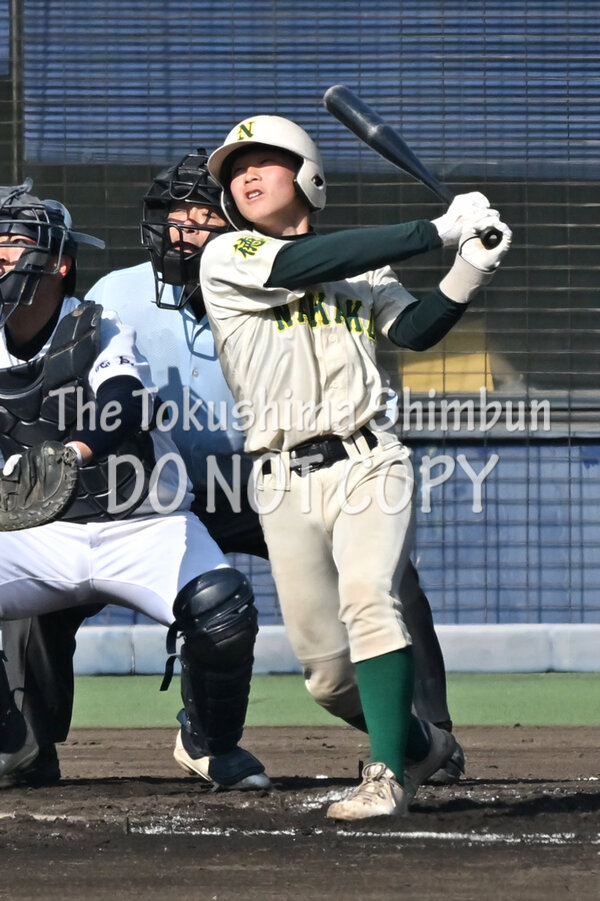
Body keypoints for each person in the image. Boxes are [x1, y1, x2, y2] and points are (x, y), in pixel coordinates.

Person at [0, 151, 464, 788]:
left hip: (258, 480)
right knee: (37, 604)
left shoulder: (285, 271)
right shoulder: (115, 296)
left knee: (386, 581)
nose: (182, 232)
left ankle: (427, 731)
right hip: (151, 491)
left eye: (200, 219)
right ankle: (25, 747)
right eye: (172, 218)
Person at [199, 115, 512, 820]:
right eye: (236, 169)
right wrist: (439, 231)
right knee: (329, 679)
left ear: (307, 176)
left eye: (263, 162)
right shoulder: (228, 255)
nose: (246, 176)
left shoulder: (363, 266)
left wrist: (470, 268)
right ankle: (421, 743)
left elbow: (413, 330)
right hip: (281, 479)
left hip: (369, 460)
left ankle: (386, 775)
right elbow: (297, 267)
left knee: (371, 596)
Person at [0, 180, 269, 792]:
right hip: (41, 533)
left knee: (222, 608)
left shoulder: (97, 324)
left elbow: (123, 402)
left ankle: (210, 744)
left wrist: (71, 454)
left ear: (58, 261)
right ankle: (11, 745)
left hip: (142, 522)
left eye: (14, 240)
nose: (1, 253)